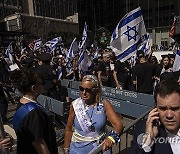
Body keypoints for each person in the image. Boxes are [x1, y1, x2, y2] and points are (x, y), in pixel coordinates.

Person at [64, 75, 124, 154]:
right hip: (77, 150)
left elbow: (119, 125)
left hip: (98, 149)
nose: (84, 93)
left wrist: (111, 138)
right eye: (81, 89)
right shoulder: (75, 105)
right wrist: (66, 149)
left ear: (95, 90)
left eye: (88, 90)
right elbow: (68, 129)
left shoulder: (104, 104)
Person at [11, 70, 58, 154]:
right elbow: (38, 142)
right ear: (34, 88)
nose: (44, 85)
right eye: (42, 83)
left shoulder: (21, 102)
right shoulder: (34, 113)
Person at [129, 79, 180, 154]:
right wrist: (148, 142)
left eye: (174, 109)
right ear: (155, 108)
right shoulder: (142, 129)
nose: (169, 115)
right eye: (163, 109)